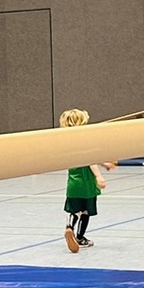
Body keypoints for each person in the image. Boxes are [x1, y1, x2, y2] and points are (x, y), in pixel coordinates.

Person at [57, 108, 109, 254]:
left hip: (73, 184)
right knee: (85, 212)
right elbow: (91, 160)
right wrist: (99, 176)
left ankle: (69, 227)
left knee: (74, 210)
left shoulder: (66, 143)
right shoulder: (85, 141)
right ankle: (80, 237)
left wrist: (105, 163)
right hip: (87, 184)